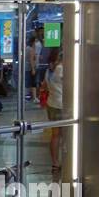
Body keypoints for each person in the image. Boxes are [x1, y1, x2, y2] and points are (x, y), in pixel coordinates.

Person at [43, 48, 64, 182]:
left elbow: (44, 86)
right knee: (66, 135)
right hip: (62, 105)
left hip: (51, 104)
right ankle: (64, 160)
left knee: (55, 135)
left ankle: (55, 162)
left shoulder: (49, 70)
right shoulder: (61, 69)